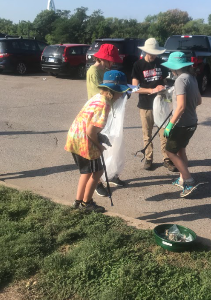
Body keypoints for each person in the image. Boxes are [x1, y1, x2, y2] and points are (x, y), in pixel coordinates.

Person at [65, 70, 131, 212]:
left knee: (86, 172)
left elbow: (89, 124)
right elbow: (90, 131)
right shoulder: (105, 105)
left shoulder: (97, 97)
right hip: (85, 140)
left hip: (75, 137)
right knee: (98, 171)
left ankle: (78, 201)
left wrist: (99, 136)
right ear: (112, 91)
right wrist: (98, 146)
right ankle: (86, 203)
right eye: (120, 92)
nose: (121, 95)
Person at [86, 44, 126, 197]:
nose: (113, 63)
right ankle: (97, 182)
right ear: (104, 59)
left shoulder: (105, 71)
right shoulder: (93, 71)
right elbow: (99, 92)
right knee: (97, 148)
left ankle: (111, 173)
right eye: (111, 61)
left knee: (112, 142)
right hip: (98, 113)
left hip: (109, 111)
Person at [161, 52, 202, 198]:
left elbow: (181, 106)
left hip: (181, 124)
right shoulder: (192, 78)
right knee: (181, 150)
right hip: (192, 121)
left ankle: (189, 180)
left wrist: (170, 125)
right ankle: (181, 178)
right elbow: (198, 101)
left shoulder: (179, 80)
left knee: (170, 152)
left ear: (175, 67)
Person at [132, 38, 177, 172]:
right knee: (147, 134)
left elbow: (164, 82)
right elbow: (134, 88)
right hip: (145, 105)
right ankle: (149, 158)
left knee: (164, 133)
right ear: (146, 51)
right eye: (151, 53)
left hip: (161, 104)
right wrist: (151, 90)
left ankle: (167, 159)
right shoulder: (138, 65)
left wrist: (164, 88)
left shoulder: (160, 64)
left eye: (155, 53)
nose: (153, 56)